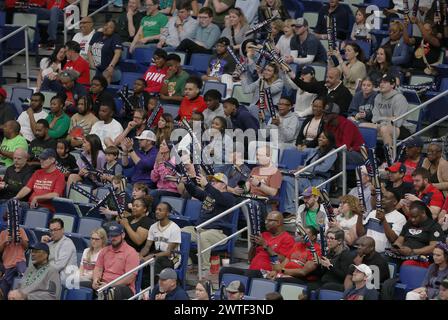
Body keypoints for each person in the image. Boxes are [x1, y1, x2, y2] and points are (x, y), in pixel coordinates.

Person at [181, 173, 236, 274]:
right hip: (200, 229)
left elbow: (219, 197)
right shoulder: (209, 195)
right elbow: (195, 192)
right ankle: (187, 263)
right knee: (181, 232)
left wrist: (207, 185)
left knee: (203, 236)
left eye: (215, 181)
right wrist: (187, 183)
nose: (212, 183)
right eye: (211, 181)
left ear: (224, 185)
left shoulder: (229, 197)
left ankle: (205, 269)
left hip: (218, 232)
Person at [219, 211, 295, 281]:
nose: (266, 222)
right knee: (224, 271)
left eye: (269, 220)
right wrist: (253, 246)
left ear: (278, 222)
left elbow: (283, 260)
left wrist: (266, 246)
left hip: (267, 273)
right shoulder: (264, 235)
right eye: (266, 220)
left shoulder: (287, 238)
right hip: (252, 271)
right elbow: (250, 259)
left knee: (245, 277)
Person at [281, 132, 338, 220]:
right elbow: (302, 151)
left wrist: (305, 169)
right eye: (319, 137)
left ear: (329, 141)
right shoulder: (316, 150)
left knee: (288, 180)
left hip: (318, 182)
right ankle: (285, 209)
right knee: (285, 178)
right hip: (306, 177)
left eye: (323, 138)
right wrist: (299, 169)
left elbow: (323, 168)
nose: (320, 139)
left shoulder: (333, 152)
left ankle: (290, 212)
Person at [360, 73, 410, 148]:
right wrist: (388, 118)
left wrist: (382, 120)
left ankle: (390, 157)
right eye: (381, 82)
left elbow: (397, 122)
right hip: (381, 125)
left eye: (385, 82)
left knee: (384, 129)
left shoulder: (399, 98)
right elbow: (374, 118)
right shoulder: (378, 97)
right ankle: (368, 155)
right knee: (362, 125)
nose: (381, 84)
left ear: (392, 85)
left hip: (402, 128)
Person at [391, 201, 446, 268]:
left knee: (407, 264)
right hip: (403, 255)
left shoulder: (434, 226)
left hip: (421, 258)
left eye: (415, 217)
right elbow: (399, 240)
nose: (412, 219)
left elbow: (434, 247)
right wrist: (396, 247)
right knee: (384, 258)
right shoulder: (409, 223)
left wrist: (412, 252)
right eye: (410, 217)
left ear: (423, 213)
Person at [92, 222, 140, 300]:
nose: (113, 238)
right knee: (79, 285)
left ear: (123, 235)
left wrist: (109, 285)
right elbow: (98, 268)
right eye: (110, 236)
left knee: (113, 291)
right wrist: (95, 280)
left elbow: (129, 278)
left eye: (116, 235)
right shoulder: (105, 250)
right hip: (104, 284)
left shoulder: (131, 253)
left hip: (123, 287)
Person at [356, 187, 407, 253]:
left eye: (386, 198)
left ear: (395, 202)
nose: (382, 199)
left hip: (385, 254)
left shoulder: (400, 218)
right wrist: (360, 215)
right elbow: (360, 234)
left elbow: (393, 239)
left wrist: (383, 220)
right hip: (367, 252)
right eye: (382, 197)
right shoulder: (373, 213)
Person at [140, 202, 182, 280]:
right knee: (139, 260)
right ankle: (143, 287)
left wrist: (152, 256)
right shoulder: (153, 227)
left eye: (160, 210)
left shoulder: (175, 228)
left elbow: (168, 252)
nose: (157, 212)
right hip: (157, 254)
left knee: (156, 261)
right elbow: (147, 247)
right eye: (156, 209)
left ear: (168, 213)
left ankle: (154, 287)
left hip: (171, 258)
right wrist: (140, 256)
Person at [288, 67, 353, 115]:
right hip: (317, 117)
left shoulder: (344, 92)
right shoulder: (323, 85)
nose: (327, 79)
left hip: (332, 121)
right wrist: (292, 76)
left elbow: (341, 112)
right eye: (327, 77)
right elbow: (306, 86)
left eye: (331, 78)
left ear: (338, 79)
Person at [0, 209, 28, 300]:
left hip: (20, 261)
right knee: (4, 287)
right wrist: (4, 242)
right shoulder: (3, 234)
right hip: (7, 264)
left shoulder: (21, 230)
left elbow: (26, 247)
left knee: (23, 275)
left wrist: (20, 239)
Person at [41, 218, 77, 283]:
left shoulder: (67, 243)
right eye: (51, 230)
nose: (53, 233)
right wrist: (42, 245)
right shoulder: (49, 244)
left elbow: (58, 266)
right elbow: (37, 260)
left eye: (55, 230)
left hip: (64, 280)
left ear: (62, 230)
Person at [88, 20, 123, 84]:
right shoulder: (97, 35)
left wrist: (111, 66)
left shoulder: (115, 37)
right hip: (96, 67)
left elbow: (118, 53)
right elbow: (89, 50)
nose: (106, 28)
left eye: (110, 27)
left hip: (109, 68)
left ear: (114, 30)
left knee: (106, 75)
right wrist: (92, 64)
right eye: (106, 25)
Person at [150, 140, 181, 209]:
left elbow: (165, 177)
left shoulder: (174, 160)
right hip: (160, 190)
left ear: (170, 147)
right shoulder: (160, 159)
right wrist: (157, 163)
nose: (160, 145)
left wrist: (160, 163)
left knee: (153, 194)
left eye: (163, 144)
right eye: (161, 143)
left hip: (173, 191)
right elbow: (153, 178)